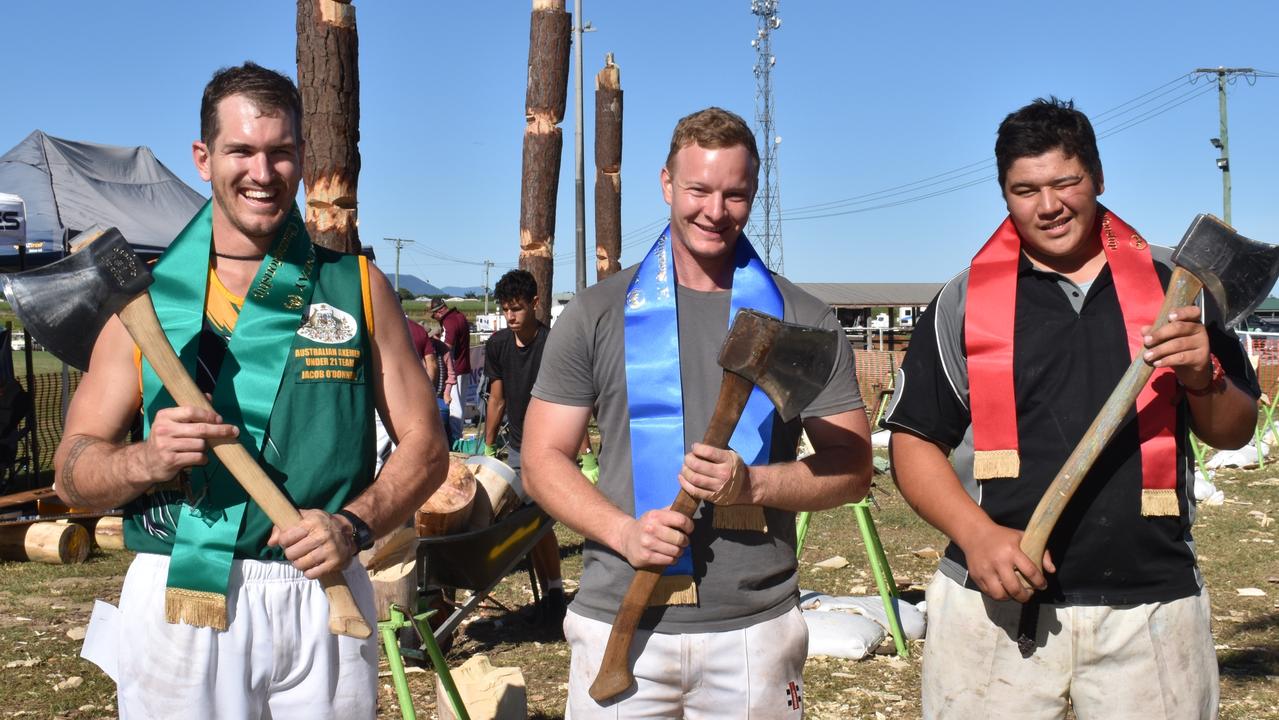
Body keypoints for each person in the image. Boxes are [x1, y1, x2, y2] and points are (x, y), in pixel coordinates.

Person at [53, 62, 448, 719]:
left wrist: (353, 525)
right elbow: (72, 474)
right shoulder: (141, 299)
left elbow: (427, 450)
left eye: (280, 153)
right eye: (241, 151)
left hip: (323, 591)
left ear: (301, 158)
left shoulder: (358, 285)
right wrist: (143, 460)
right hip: (180, 590)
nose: (262, 175)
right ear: (203, 157)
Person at [882, 97, 1259, 719]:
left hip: (1151, 610)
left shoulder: (1177, 287)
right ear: (1004, 193)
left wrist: (1203, 378)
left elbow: (1234, 430)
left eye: (1066, 182)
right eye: (1025, 189)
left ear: (1099, 178)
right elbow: (914, 441)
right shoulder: (963, 299)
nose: (1049, 205)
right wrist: (976, 537)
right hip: (992, 608)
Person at [522, 107, 873, 717]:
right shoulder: (597, 312)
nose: (715, 210)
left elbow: (852, 470)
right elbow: (541, 458)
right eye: (698, 190)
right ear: (666, 184)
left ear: (753, 193)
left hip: (753, 629)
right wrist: (624, 532)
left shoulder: (805, 319)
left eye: (735, 194)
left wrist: (754, 482)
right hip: (619, 620)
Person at [482, 269, 567, 627]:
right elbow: (497, 399)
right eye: (505, 310)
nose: (511, 316)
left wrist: (586, 453)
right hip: (516, 445)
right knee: (522, 524)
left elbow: (570, 400)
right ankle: (547, 594)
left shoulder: (552, 344)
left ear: (535, 304)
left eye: (517, 308)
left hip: (551, 445)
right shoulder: (498, 345)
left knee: (538, 523)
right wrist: (486, 448)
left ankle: (554, 593)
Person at [430, 296, 473, 439]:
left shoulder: (449, 322)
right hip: (464, 366)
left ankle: (455, 438)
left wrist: (433, 340)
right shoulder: (459, 316)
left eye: (434, 315)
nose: (435, 319)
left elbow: (446, 347)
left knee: (454, 406)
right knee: (459, 403)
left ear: (439, 311)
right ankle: (457, 436)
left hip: (456, 369)